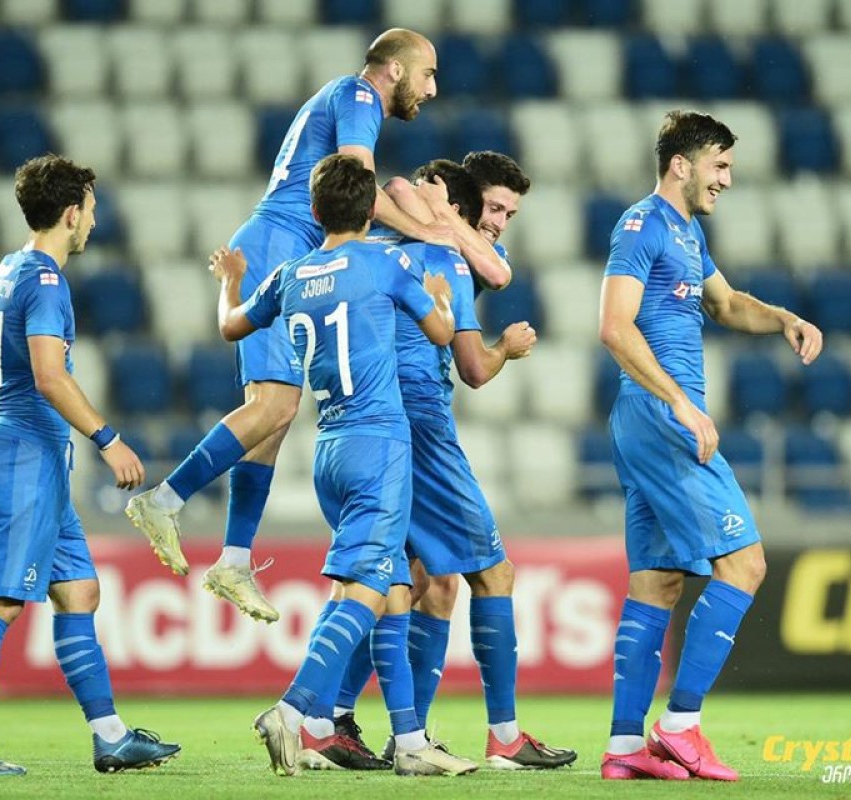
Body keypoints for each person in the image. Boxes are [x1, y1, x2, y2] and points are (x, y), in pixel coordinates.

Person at [125, 29, 510, 625]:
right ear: (395, 70)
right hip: (278, 246)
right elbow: (359, 182)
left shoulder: (347, 100)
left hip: (283, 250)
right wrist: (430, 229)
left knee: (274, 417)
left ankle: (234, 559)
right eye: (428, 74)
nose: (433, 88)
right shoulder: (359, 96)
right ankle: (165, 498)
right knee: (274, 406)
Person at [212, 153, 477, 777]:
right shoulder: (387, 262)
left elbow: (231, 326)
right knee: (367, 589)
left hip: (327, 447)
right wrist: (441, 300)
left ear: (313, 210)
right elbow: (442, 334)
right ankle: (292, 710)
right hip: (379, 444)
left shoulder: (292, 273)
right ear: (371, 212)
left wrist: (231, 280)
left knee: (391, 588)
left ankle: (409, 741)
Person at [307, 157, 574, 772]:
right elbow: (474, 368)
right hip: (421, 426)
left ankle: (343, 722)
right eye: (494, 208)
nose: (499, 222)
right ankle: (504, 737)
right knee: (494, 574)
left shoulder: (383, 248)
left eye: (510, 213)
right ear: (461, 206)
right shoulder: (445, 258)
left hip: (363, 424)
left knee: (411, 580)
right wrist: (506, 347)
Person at [0, 154, 180, 776]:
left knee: (79, 591)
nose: (94, 220)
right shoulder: (44, 281)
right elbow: (48, 375)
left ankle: (111, 737)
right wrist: (108, 439)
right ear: (71, 213)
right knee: (0, 600)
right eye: (90, 209)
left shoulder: (6, 271)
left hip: (28, 456)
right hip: (26, 456)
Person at [597, 111, 824, 781]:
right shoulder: (641, 224)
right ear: (681, 165)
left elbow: (725, 305)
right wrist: (678, 402)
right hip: (659, 414)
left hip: (649, 418)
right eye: (718, 165)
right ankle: (680, 727)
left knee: (658, 580)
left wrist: (783, 318)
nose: (726, 178)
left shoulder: (688, 232)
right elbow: (614, 326)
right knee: (745, 563)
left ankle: (624, 746)